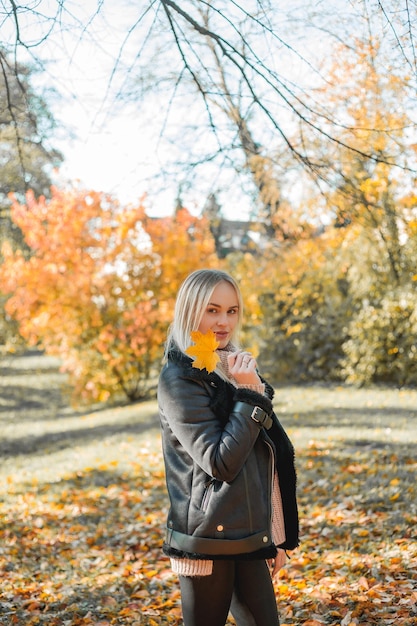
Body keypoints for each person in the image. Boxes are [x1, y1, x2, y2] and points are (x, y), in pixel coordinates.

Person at [158, 269, 299, 626]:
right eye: (213, 310)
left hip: (248, 535)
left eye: (232, 311)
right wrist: (250, 395)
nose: (224, 322)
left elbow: (268, 458)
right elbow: (220, 462)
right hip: (206, 541)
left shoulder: (234, 368)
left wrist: (276, 536)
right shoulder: (179, 379)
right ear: (191, 310)